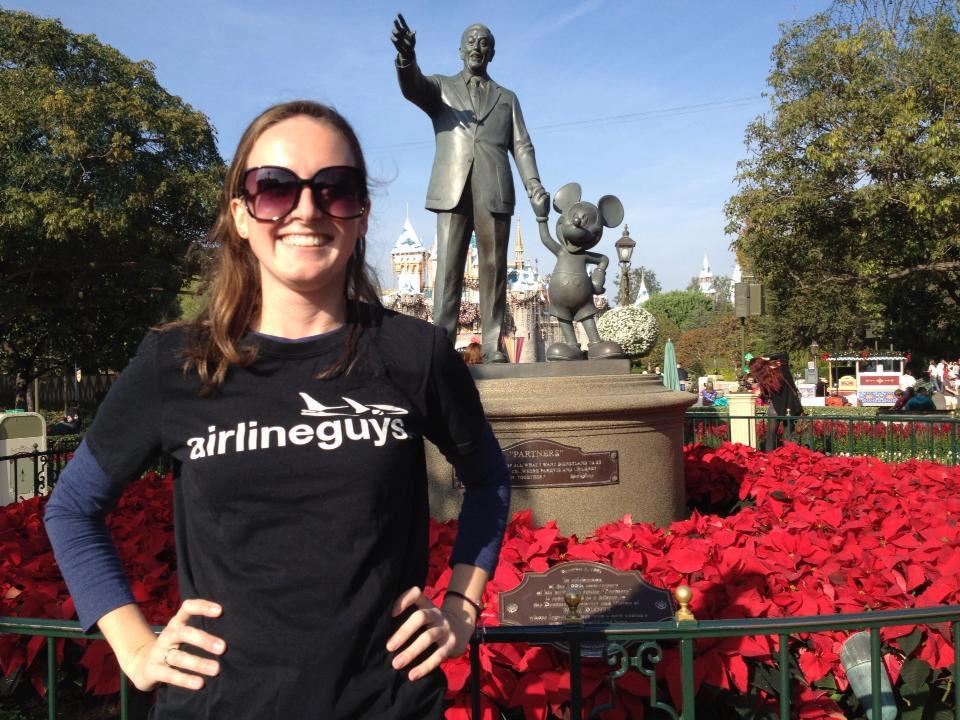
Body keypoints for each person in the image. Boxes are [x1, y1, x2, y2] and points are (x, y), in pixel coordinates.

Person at [43, 101, 510, 719]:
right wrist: (134, 647)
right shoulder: (178, 361)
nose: (306, 210)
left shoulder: (414, 353)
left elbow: (489, 480)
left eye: (334, 188)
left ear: (361, 215)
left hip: (384, 703)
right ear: (241, 214)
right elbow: (73, 508)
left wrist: (462, 607)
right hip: (218, 705)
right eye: (275, 188)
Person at [391, 15, 548, 364]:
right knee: (447, 268)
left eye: (484, 43)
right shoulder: (441, 88)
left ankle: (493, 345)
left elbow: (522, 145)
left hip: (495, 188)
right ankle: (441, 344)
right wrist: (406, 58)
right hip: (452, 187)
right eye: (471, 41)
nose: (477, 47)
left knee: (494, 268)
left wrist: (533, 184)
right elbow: (413, 87)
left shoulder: (507, 98)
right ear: (460, 50)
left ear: (492, 53)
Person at [749, 353, 804, 450]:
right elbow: (784, 355)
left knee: (771, 436)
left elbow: (766, 395)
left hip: (774, 408)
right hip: (789, 407)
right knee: (788, 436)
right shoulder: (782, 370)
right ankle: (787, 456)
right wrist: (768, 357)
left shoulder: (763, 379)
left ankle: (769, 457)